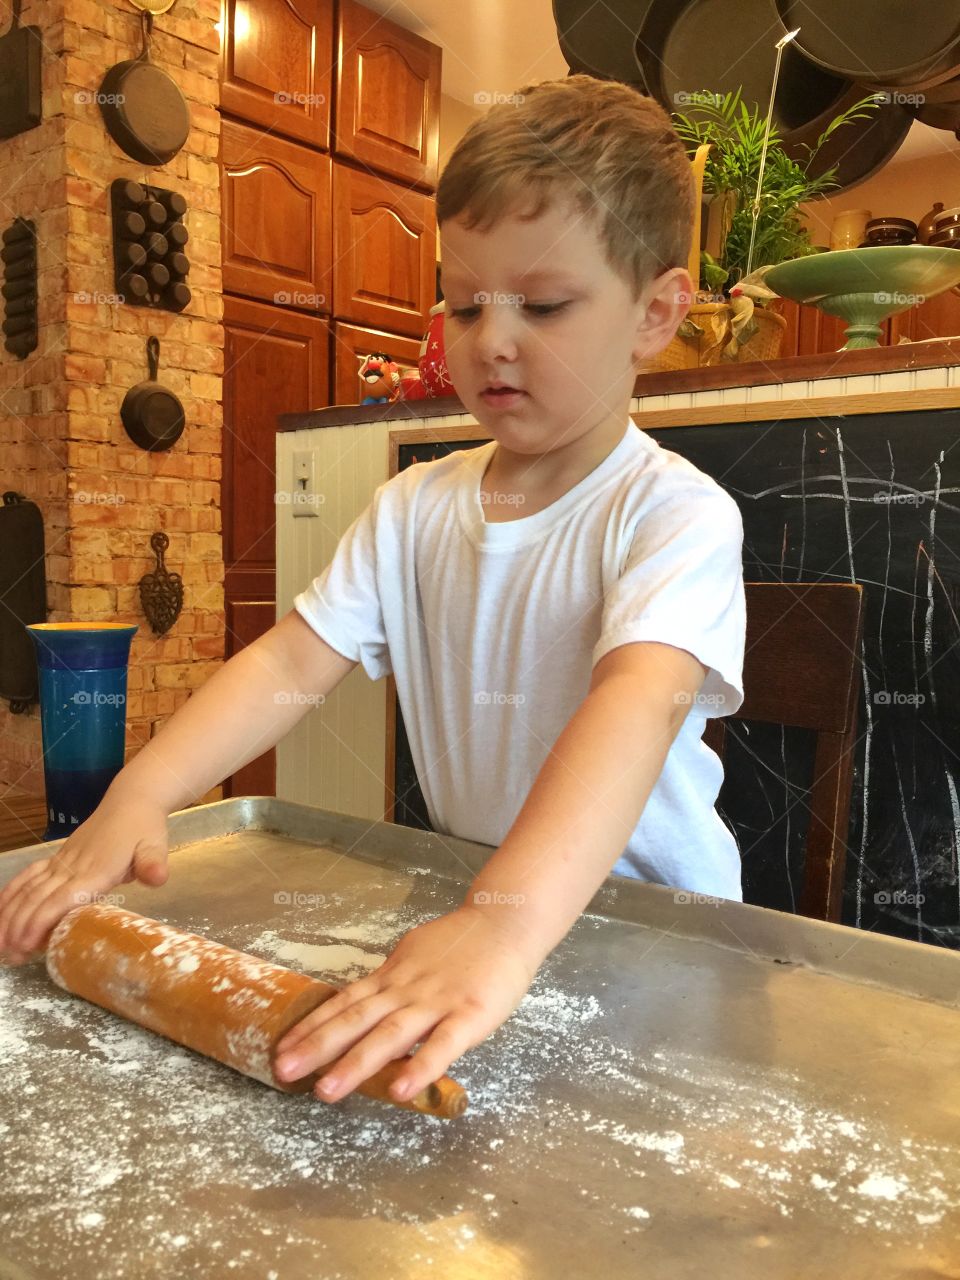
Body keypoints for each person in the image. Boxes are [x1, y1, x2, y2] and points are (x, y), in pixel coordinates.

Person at [0, 76, 745, 1107]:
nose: (492, 336)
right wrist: (139, 794)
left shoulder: (673, 515)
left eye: (543, 303)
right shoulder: (411, 507)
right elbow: (289, 661)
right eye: (466, 299)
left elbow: (636, 702)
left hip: (660, 945)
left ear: (656, 311)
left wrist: (503, 918)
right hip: (481, 917)